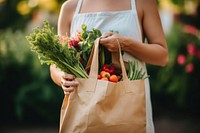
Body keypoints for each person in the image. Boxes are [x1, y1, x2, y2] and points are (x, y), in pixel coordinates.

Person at [50, 0, 168, 132]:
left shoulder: (143, 3)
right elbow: (56, 63)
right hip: (86, 109)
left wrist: (125, 44)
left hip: (130, 105)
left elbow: (162, 57)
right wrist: (62, 78)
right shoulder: (70, 7)